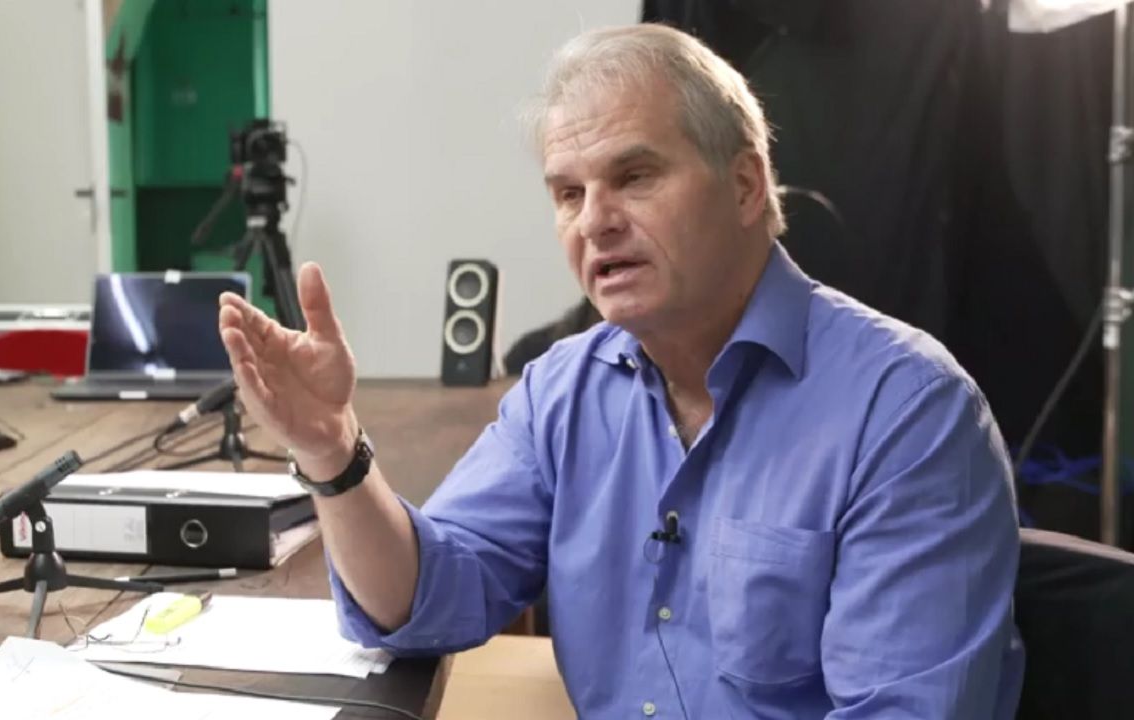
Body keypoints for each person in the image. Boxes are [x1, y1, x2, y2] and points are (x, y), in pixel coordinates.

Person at [219, 23, 1024, 719]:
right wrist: (332, 451)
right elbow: (428, 599)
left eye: (635, 177)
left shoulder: (909, 413)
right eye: (568, 193)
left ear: (746, 185)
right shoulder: (561, 391)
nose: (595, 222)